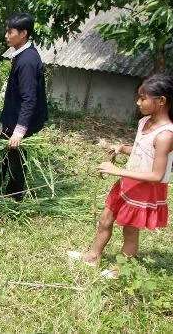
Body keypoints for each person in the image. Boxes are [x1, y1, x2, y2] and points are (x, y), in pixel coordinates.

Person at [68, 74, 173, 276]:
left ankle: (119, 271)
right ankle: (92, 256)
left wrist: (117, 170)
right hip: (129, 181)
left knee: (130, 232)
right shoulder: (144, 122)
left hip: (146, 189)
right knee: (104, 219)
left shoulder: (166, 135)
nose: (138, 102)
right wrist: (123, 149)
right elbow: (144, 149)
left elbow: (158, 175)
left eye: (143, 98)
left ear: (161, 101)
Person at [0, 12, 48, 200]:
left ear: (23, 33)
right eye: (6, 31)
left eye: (10, 32)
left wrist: (19, 132)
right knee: (3, 151)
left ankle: (14, 195)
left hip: (22, 120)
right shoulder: (22, 54)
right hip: (14, 115)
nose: (6, 35)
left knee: (16, 158)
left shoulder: (27, 61)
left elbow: (30, 99)